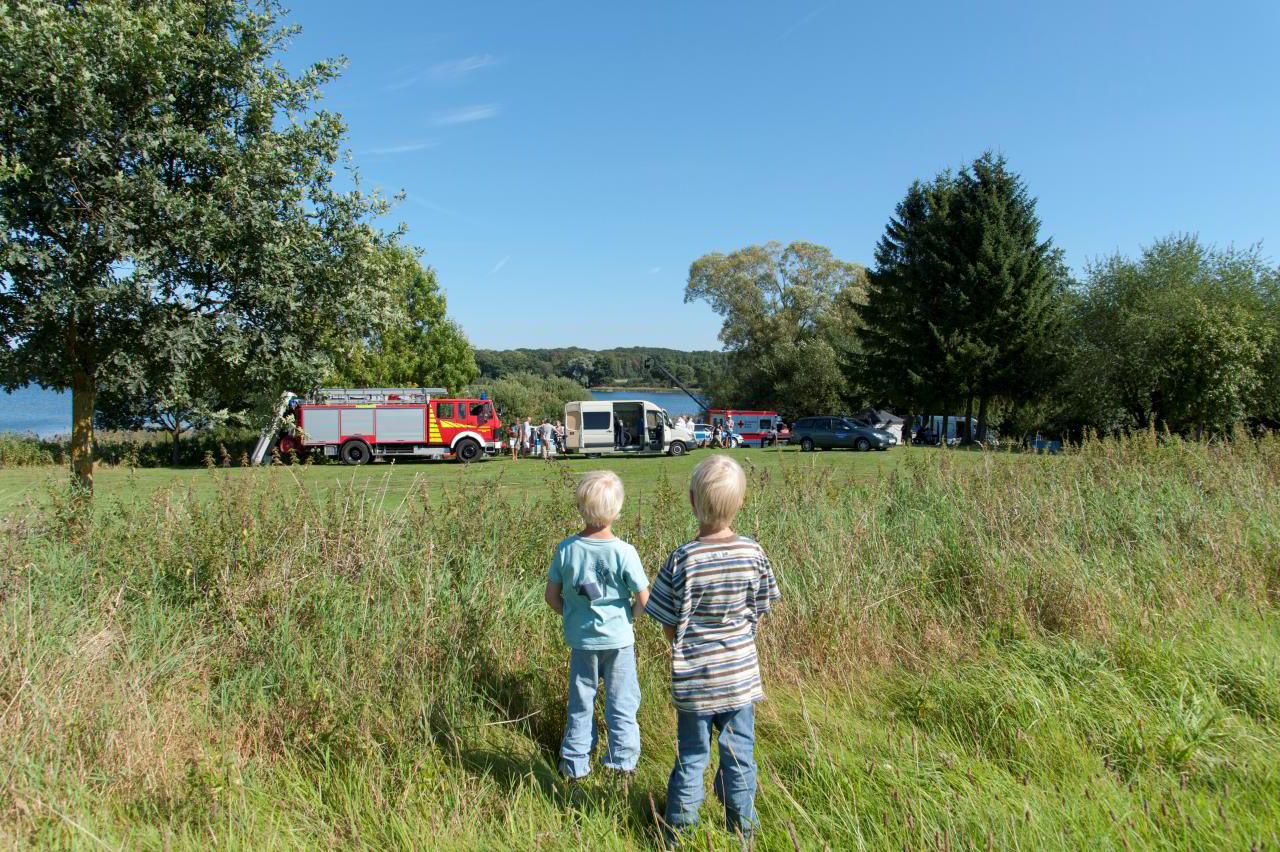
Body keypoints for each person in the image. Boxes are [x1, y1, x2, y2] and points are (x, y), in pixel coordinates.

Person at [646, 455, 780, 843]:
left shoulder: (682, 558)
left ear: (692, 501)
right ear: (741, 503)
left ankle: (678, 834)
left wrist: (683, 646)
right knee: (739, 755)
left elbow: (667, 620)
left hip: (695, 678)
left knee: (691, 756)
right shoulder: (753, 553)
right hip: (738, 676)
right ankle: (743, 831)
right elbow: (761, 607)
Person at [544, 471, 650, 782]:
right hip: (618, 642)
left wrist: (572, 615)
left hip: (582, 642)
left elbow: (551, 597)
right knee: (622, 704)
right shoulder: (624, 552)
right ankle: (622, 766)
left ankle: (574, 766)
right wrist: (629, 616)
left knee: (581, 703)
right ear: (617, 511)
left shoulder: (567, 549)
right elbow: (645, 599)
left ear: (580, 507)